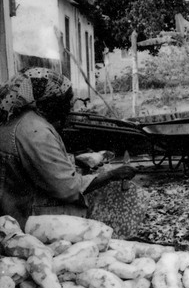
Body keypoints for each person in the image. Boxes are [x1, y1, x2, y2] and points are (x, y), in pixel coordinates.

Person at [0, 67, 137, 229]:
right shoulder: (35, 131)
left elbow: (37, 164)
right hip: (32, 221)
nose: (69, 108)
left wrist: (75, 160)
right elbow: (67, 188)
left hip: (14, 210)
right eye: (66, 101)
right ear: (49, 102)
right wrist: (112, 175)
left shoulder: (19, 120)